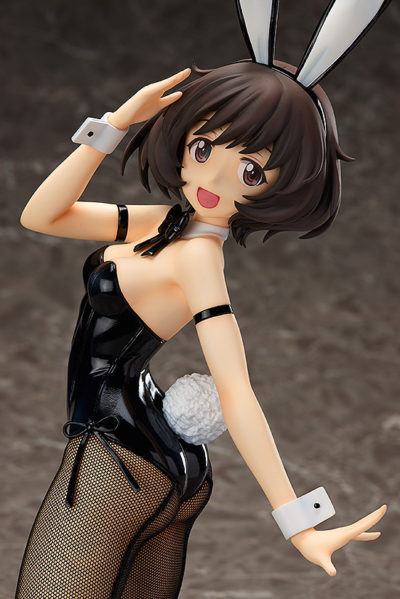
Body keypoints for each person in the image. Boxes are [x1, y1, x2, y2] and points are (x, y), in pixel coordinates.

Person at [15, 1, 390, 597]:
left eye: (251, 172)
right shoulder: (165, 222)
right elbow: (42, 215)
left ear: (284, 185)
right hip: (154, 457)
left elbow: (237, 390)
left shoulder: (198, 260)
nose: (212, 181)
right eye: (205, 149)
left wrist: (298, 522)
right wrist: (115, 124)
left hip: (116, 462)